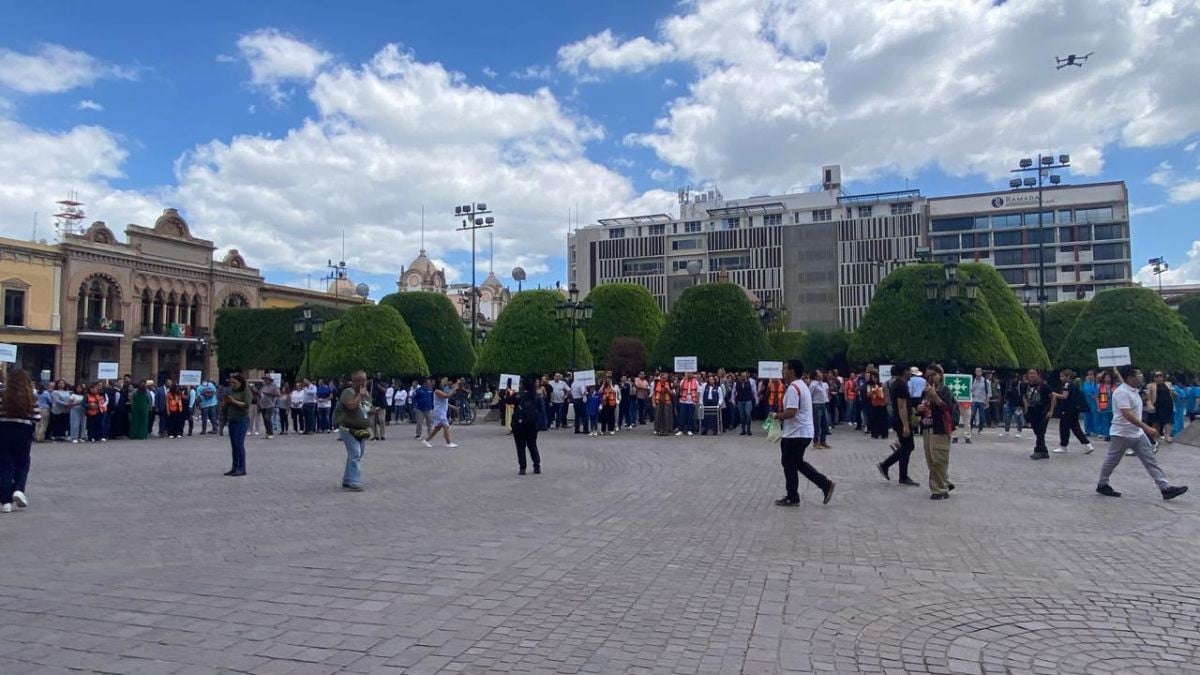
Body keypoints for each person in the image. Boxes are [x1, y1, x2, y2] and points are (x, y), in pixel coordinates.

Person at [1096, 366, 1188, 500]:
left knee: (1150, 460)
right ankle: (1102, 484)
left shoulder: (1134, 391)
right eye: (1138, 374)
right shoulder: (1122, 392)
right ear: (1129, 377)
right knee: (1112, 461)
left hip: (1137, 434)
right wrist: (1146, 427)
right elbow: (1127, 414)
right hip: (1122, 433)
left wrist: (1147, 405)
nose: (1141, 376)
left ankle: (1165, 488)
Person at [772, 359, 835, 507]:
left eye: (785, 369)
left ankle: (793, 496)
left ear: (792, 371)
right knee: (797, 462)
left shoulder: (794, 388)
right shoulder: (802, 386)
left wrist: (776, 415)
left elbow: (791, 412)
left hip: (795, 433)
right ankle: (824, 484)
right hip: (803, 431)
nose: (783, 372)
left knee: (789, 463)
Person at [0, 368, 39, 514]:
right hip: (23, 430)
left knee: (5, 464)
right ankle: (18, 489)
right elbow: (37, 417)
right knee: (23, 462)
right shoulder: (31, 395)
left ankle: (5, 502)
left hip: (3, 428)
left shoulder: (2, 393)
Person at [875, 365, 919, 486]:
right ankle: (886, 465)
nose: (911, 373)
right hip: (901, 420)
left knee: (906, 447)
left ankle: (902, 475)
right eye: (909, 371)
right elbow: (901, 407)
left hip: (899, 419)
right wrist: (906, 425)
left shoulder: (898, 384)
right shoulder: (901, 385)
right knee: (908, 447)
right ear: (904, 372)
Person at [919, 366, 956, 500]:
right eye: (927, 375)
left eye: (933, 375)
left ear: (940, 375)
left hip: (940, 428)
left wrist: (935, 397)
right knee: (930, 459)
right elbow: (921, 407)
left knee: (939, 459)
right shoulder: (925, 391)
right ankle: (944, 482)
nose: (930, 378)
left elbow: (947, 408)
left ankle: (939, 489)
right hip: (927, 427)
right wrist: (919, 408)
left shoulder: (945, 391)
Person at [336, 370, 371, 491]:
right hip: (348, 428)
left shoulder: (366, 394)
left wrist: (372, 411)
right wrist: (360, 396)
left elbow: (366, 408)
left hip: (361, 430)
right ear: (354, 381)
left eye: (364, 380)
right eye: (360, 380)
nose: (363, 382)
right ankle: (354, 481)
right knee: (355, 453)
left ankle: (347, 479)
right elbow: (350, 405)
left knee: (357, 454)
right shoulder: (348, 392)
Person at [1051, 369, 1094, 454]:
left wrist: (1053, 394)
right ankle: (1087, 444)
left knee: (1064, 428)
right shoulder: (1073, 384)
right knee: (1075, 427)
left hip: (1068, 409)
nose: (1060, 378)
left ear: (1068, 376)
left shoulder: (1067, 384)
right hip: (1074, 409)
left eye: (1062, 376)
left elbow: (1064, 396)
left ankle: (1063, 446)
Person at [507, 376, 543, 475]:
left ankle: (522, 468)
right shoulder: (535, 395)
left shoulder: (518, 395)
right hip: (531, 423)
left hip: (519, 423)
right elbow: (540, 409)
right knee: (532, 445)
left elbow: (507, 401)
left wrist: (508, 390)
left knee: (520, 446)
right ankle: (537, 466)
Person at [222, 374, 252, 477]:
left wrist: (233, 401)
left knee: (239, 444)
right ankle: (234, 467)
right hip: (232, 419)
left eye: (234, 383)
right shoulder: (231, 391)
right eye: (231, 382)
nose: (232, 384)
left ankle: (242, 468)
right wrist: (226, 402)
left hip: (242, 419)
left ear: (240, 382)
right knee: (234, 445)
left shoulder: (246, 391)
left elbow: (247, 404)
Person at [423, 377, 460, 448]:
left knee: (437, 428)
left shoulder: (441, 391)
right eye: (442, 383)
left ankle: (426, 440)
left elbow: (445, 402)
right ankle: (448, 442)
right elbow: (447, 396)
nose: (444, 384)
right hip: (439, 412)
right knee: (446, 426)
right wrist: (454, 389)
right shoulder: (437, 391)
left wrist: (454, 407)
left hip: (441, 411)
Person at [1025, 369, 1054, 460]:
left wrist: (1051, 411)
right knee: (1037, 431)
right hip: (1033, 411)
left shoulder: (1044, 386)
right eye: (1030, 373)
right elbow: (1024, 397)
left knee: (1040, 431)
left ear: (1038, 375)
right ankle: (1044, 451)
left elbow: (1053, 397)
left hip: (1043, 411)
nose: (1031, 375)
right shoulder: (1027, 386)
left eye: (1033, 373)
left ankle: (1037, 450)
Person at [1146, 371, 1176, 444]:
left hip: (1168, 404)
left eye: (1161, 376)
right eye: (1157, 376)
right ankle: (1156, 436)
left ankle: (1167, 435)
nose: (1159, 377)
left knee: (1169, 420)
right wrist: (1149, 404)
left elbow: (1173, 395)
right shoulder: (1150, 385)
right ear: (1153, 377)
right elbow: (1148, 396)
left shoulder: (1168, 384)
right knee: (1156, 421)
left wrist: (1173, 393)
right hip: (1157, 404)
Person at [1000, 374, 1026, 438]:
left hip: (1017, 405)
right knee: (1007, 418)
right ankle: (1006, 431)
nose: (1013, 380)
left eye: (1014, 379)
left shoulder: (1021, 385)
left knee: (1018, 419)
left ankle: (1019, 431)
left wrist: (1022, 405)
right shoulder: (1010, 385)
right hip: (1010, 404)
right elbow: (1007, 394)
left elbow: (1023, 395)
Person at [810, 370, 830, 448]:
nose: (821, 374)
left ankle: (823, 440)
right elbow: (809, 395)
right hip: (816, 404)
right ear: (815, 376)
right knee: (817, 424)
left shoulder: (823, 384)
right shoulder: (813, 385)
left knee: (825, 423)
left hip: (823, 404)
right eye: (819, 373)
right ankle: (816, 442)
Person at [968, 367, 989, 442]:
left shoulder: (985, 381)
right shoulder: (973, 380)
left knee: (982, 415)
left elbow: (988, 392)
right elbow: (970, 389)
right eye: (977, 371)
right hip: (974, 400)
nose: (978, 372)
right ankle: (970, 428)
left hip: (982, 400)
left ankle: (980, 428)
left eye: (979, 371)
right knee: (972, 414)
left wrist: (987, 400)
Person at [866, 372, 888, 439]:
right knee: (874, 419)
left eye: (875, 377)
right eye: (872, 378)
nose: (874, 379)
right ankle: (875, 433)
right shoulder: (869, 385)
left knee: (883, 419)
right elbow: (868, 395)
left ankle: (884, 434)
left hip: (882, 403)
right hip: (874, 403)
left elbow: (885, 393)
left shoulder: (882, 384)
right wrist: (873, 391)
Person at [1096, 370, 1114, 440]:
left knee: (1112, 421)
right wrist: (1098, 407)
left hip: (1113, 406)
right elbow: (1097, 397)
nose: (1107, 379)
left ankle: (1112, 434)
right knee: (1105, 421)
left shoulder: (1114, 386)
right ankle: (1107, 435)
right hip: (1104, 406)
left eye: (1109, 377)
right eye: (1106, 377)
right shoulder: (1100, 387)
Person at [371, 377, 390, 441]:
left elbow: (384, 391)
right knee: (373, 421)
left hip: (381, 404)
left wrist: (378, 386)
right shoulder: (371, 384)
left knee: (381, 420)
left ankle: (382, 435)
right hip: (373, 403)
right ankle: (375, 435)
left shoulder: (382, 384)